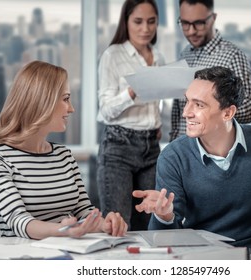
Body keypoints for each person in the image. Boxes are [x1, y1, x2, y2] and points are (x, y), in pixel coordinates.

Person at [133, 66, 251, 254]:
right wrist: (164, 216)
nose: (186, 112)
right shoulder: (173, 156)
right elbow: (166, 241)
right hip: (207, 263)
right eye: (187, 101)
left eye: (199, 105)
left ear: (228, 113)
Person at [0, 60, 128, 240]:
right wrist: (61, 230)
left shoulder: (63, 155)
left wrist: (104, 224)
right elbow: (17, 221)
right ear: (42, 101)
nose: (71, 108)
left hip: (67, 253)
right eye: (66, 99)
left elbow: (83, 211)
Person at [96, 0, 165, 231]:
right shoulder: (112, 55)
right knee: (118, 224)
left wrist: (155, 122)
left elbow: (159, 100)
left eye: (151, 21)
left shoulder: (159, 58)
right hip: (118, 146)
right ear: (126, 22)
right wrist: (131, 92)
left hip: (151, 147)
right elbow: (106, 110)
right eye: (138, 22)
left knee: (152, 222)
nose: (145, 28)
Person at [170, 0, 251, 141]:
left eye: (198, 23)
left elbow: (250, 109)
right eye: (185, 24)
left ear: (213, 18)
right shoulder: (185, 54)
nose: (191, 31)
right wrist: (173, 143)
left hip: (212, 149)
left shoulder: (231, 56)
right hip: (182, 150)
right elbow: (178, 109)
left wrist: (216, 105)